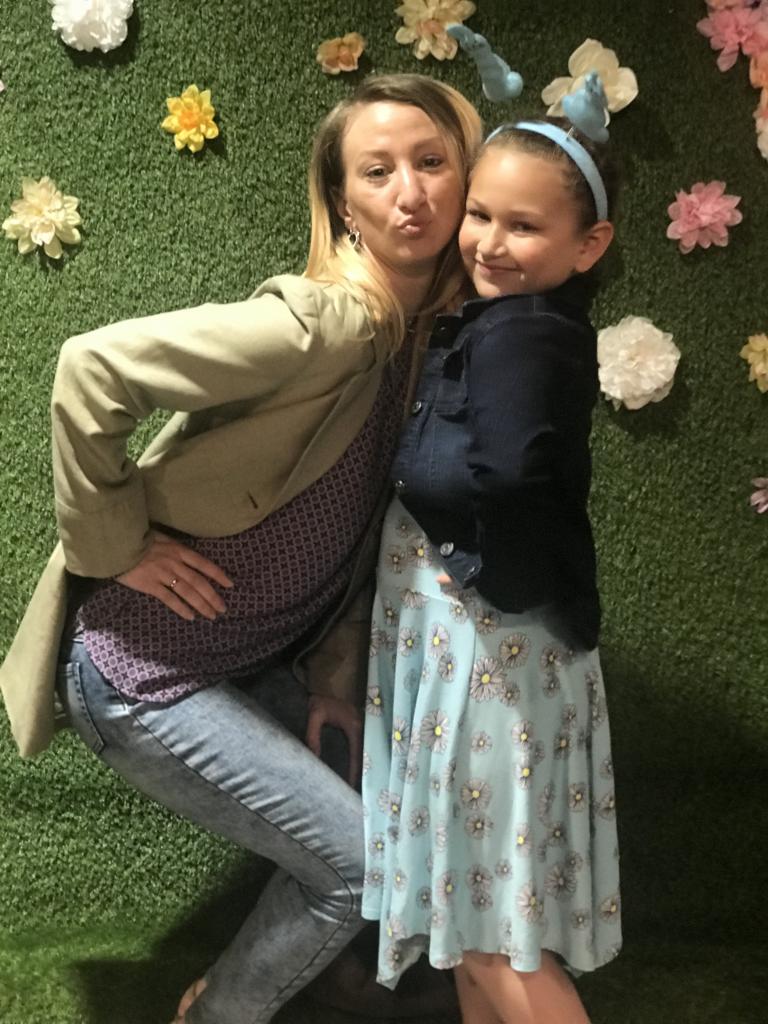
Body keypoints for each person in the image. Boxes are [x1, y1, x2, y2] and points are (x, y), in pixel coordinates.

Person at [0, 74, 482, 1024]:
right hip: (143, 671)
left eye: (431, 162)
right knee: (362, 863)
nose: (411, 192)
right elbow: (90, 368)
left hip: (245, 661)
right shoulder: (325, 324)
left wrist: (334, 684)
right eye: (378, 172)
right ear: (344, 204)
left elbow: (356, 530)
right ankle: (217, 1013)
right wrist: (117, 546)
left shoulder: (418, 344)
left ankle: (337, 977)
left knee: (401, 802)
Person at [361, 111, 622, 1024]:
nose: (490, 243)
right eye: (480, 215)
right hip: (480, 658)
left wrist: (491, 588)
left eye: (524, 225)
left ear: (589, 245)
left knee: (493, 940)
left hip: (490, 663)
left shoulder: (522, 332)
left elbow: (509, 477)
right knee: (473, 923)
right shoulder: (509, 321)